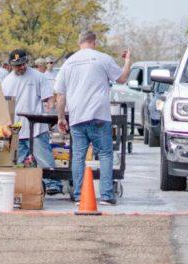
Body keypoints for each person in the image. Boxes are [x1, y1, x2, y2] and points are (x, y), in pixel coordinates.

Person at [53, 31, 131, 205]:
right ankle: (106, 195)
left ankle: (80, 195)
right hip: (99, 115)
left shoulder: (68, 63)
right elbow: (122, 79)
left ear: (79, 42)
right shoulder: (102, 58)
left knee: (78, 156)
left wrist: (60, 118)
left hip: (77, 116)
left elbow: (60, 95)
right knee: (104, 154)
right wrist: (127, 62)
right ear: (94, 42)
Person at [1, 49, 63, 195]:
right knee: (20, 162)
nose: (21, 67)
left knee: (43, 158)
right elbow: (4, 105)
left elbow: (49, 98)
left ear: (27, 61)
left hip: (36, 127)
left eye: (23, 64)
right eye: (17, 65)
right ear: (11, 65)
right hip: (16, 128)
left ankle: (53, 183)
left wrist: (50, 112)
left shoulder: (37, 76)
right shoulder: (7, 81)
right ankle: (22, 186)